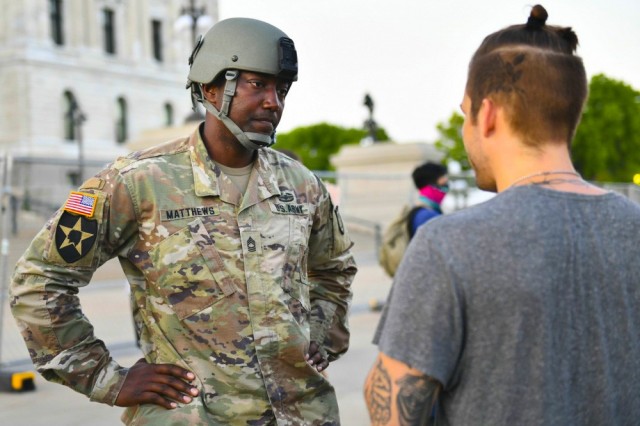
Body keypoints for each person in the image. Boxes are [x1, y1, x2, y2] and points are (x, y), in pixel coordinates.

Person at [11, 17, 356, 425]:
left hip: (303, 413)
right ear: (210, 88)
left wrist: (320, 336)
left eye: (281, 89)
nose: (273, 102)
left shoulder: (302, 186)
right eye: (256, 84)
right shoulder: (137, 181)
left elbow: (334, 269)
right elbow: (40, 279)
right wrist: (106, 378)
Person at [365, 4, 640, 425]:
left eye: (465, 114)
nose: (465, 130)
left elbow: (393, 414)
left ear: (487, 114)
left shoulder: (447, 245)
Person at [408, 162, 449, 238]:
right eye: (443, 184)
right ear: (431, 185)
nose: (445, 189)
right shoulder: (427, 215)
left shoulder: (421, 211)